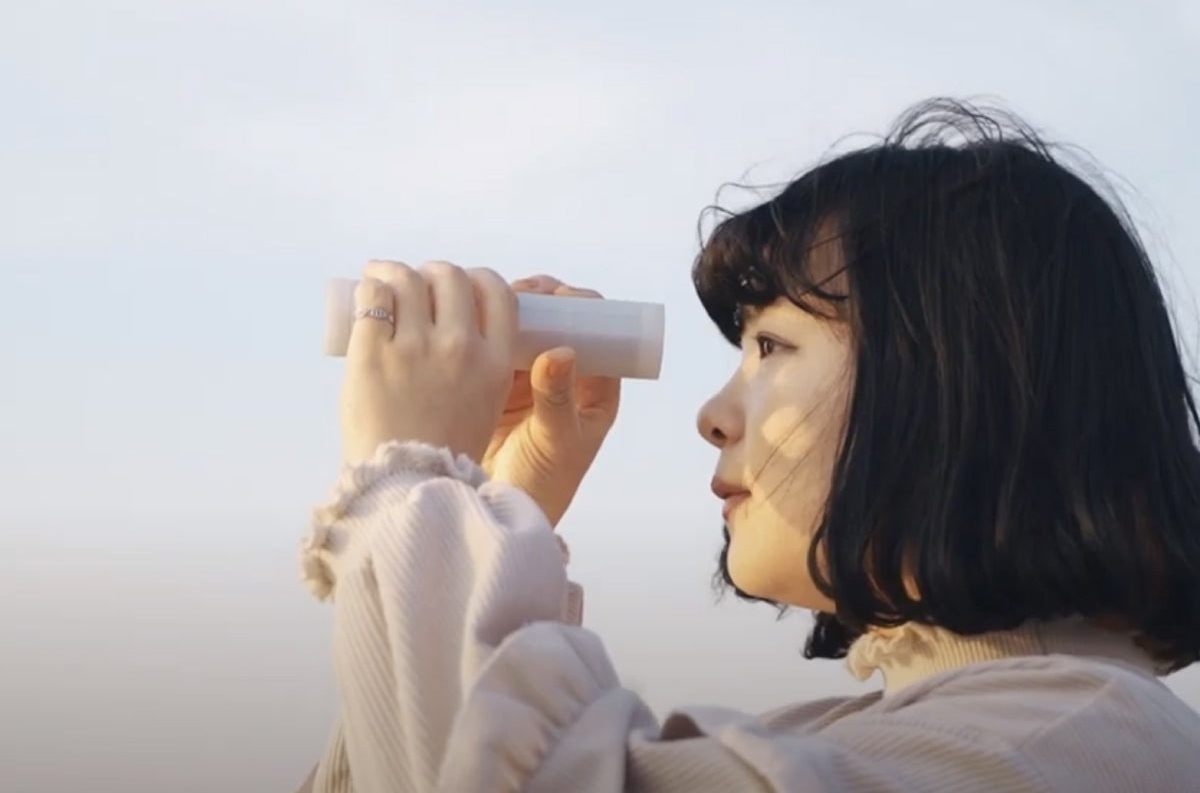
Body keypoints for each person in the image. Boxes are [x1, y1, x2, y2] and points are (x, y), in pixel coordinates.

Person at [295, 99, 1200, 792]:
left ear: (962, 379)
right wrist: (495, 504)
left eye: (771, 346)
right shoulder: (956, 733)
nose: (714, 415)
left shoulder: (1071, 746)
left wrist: (417, 485)